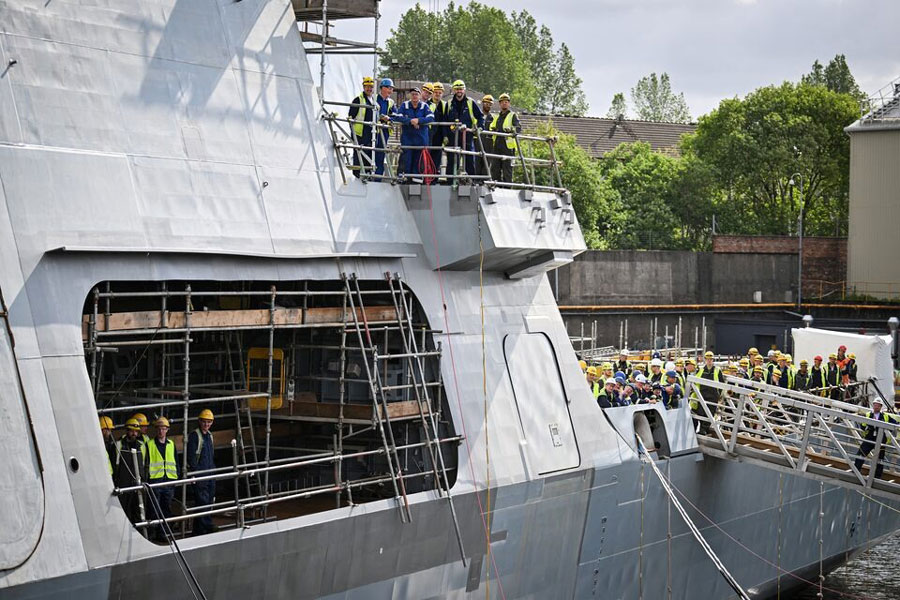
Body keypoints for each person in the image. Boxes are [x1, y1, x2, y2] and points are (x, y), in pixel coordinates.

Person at [143, 416, 179, 541]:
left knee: (166, 509)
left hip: (168, 481)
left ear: (167, 430)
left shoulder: (171, 445)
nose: (161, 431)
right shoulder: (149, 444)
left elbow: (176, 462)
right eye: (159, 428)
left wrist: (176, 479)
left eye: (163, 429)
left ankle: (162, 534)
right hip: (155, 480)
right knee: (154, 509)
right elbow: (145, 463)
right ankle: (153, 534)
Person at [391, 87, 434, 180]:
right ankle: (403, 178)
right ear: (410, 95)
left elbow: (431, 117)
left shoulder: (424, 106)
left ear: (419, 95)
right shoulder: (404, 105)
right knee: (406, 160)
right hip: (408, 139)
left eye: (416, 94)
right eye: (413, 94)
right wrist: (410, 121)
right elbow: (398, 117)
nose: (414, 96)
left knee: (418, 162)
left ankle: (416, 180)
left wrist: (419, 120)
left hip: (421, 140)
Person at [445, 80, 484, 178]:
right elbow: (444, 121)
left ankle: (472, 181)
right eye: (457, 89)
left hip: (467, 136)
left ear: (464, 90)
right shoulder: (449, 103)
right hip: (453, 136)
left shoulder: (470, 102)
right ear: (454, 90)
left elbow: (480, 117)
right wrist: (445, 135)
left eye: (461, 89)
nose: (459, 91)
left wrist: (479, 128)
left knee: (469, 160)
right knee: (452, 160)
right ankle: (450, 181)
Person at [187, 409, 216, 535]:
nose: (206, 424)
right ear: (199, 421)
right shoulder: (195, 436)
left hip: (210, 472)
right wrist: (196, 472)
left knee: (208, 500)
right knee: (202, 501)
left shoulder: (209, 436)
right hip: (201, 473)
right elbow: (191, 457)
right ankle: (207, 525)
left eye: (209, 422)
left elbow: (211, 455)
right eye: (204, 422)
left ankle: (199, 530)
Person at [115, 418, 146, 524]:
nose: (134, 433)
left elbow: (144, 464)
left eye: (136, 431)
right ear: (126, 430)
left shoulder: (141, 445)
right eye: (131, 431)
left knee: (138, 509)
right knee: (124, 510)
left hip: (137, 481)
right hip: (123, 482)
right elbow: (116, 464)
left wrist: (143, 479)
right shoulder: (118, 444)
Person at [854, 398, 893, 479]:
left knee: (880, 458)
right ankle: (856, 470)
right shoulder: (868, 415)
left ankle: (877, 476)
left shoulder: (885, 416)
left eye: (878, 405)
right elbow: (863, 426)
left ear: (881, 407)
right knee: (861, 454)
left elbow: (894, 424)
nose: (876, 407)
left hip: (881, 438)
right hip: (870, 437)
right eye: (875, 405)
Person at [488, 93, 521, 183]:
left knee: (507, 170)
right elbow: (491, 127)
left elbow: (518, 128)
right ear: (499, 104)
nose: (504, 104)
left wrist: (511, 130)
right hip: (497, 145)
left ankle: (507, 189)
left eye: (506, 102)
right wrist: (492, 130)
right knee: (495, 168)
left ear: (509, 103)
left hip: (508, 147)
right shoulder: (497, 117)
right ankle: (497, 187)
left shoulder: (512, 115)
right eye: (502, 102)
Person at [348, 76, 376, 178]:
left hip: (370, 133)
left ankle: (367, 174)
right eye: (367, 86)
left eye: (371, 87)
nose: (369, 89)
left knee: (368, 154)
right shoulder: (358, 100)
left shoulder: (373, 100)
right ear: (363, 87)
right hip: (359, 133)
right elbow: (350, 116)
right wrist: (353, 132)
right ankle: (357, 174)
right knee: (358, 154)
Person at [695, 351, 723, 434]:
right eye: (707, 359)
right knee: (701, 412)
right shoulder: (701, 369)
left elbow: (722, 383)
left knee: (710, 413)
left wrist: (719, 395)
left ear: (713, 360)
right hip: (702, 394)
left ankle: (704, 429)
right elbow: (696, 380)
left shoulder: (717, 370)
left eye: (711, 359)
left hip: (713, 395)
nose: (709, 361)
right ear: (705, 360)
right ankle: (702, 428)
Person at [373, 78, 396, 176]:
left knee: (380, 155)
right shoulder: (374, 99)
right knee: (370, 152)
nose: (391, 91)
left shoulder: (390, 102)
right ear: (382, 88)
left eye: (391, 89)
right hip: (372, 131)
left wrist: (389, 118)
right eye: (389, 88)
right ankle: (368, 174)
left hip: (384, 132)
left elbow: (395, 115)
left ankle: (377, 177)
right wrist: (380, 117)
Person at [428, 82, 448, 178]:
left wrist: (445, 136)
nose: (438, 94)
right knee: (428, 155)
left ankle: (434, 177)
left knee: (437, 156)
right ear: (432, 93)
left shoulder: (444, 105)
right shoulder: (427, 104)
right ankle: (426, 177)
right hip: (429, 134)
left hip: (439, 135)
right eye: (436, 92)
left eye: (440, 92)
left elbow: (446, 119)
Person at [476, 94, 494, 178]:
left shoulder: (493, 118)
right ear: (482, 103)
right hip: (477, 143)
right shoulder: (477, 116)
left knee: (486, 165)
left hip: (488, 145)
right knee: (476, 164)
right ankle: (475, 181)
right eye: (486, 103)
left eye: (490, 104)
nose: (488, 105)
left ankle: (483, 182)